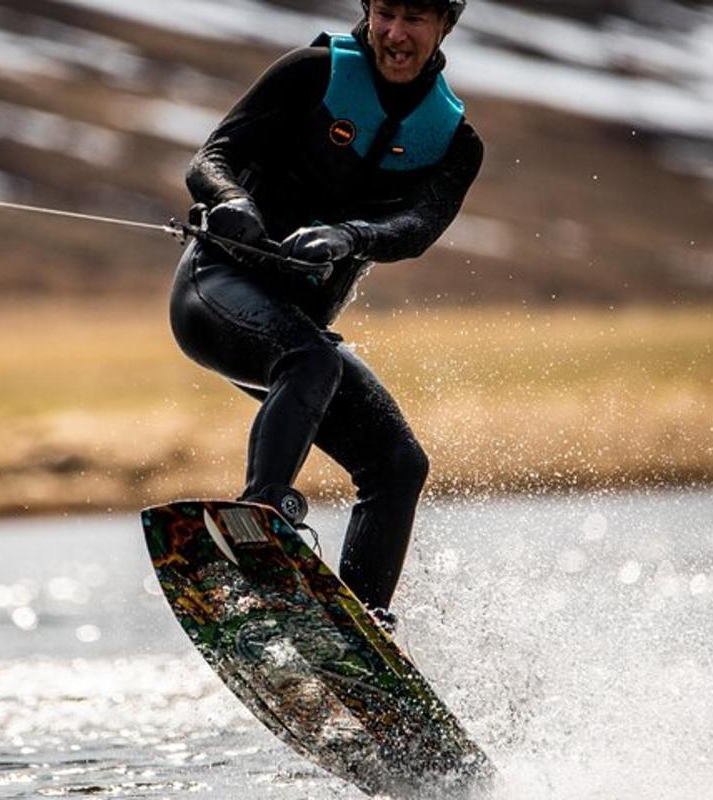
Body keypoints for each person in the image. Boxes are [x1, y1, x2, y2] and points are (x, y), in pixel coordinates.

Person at [169, 0, 483, 629]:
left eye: (414, 20)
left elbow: (418, 226)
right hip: (215, 289)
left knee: (397, 465)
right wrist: (230, 200)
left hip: (300, 330)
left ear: (445, 25)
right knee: (310, 361)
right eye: (385, 13)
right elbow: (209, 161)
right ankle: (258, 531)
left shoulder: (454, 142)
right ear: (367, 12)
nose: (395, 34)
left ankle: (360, 627)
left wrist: (349, 236)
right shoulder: (308, 74)